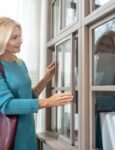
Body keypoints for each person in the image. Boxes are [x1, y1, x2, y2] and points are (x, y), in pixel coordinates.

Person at [0, 17, 74, 150]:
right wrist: (48, 102)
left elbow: (28, 96)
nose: (21, 40)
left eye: (20, 36)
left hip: (28, 131)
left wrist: (45, 79)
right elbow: (6, 105)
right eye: (14, 37)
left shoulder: (20, 63)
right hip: (11, 135)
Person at [94, 31, 115, 149]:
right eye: (101, 44)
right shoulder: (91, 66)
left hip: (110, 120)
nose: (103, 48)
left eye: (108, 46)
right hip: (91, 118)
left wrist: (98, 102)